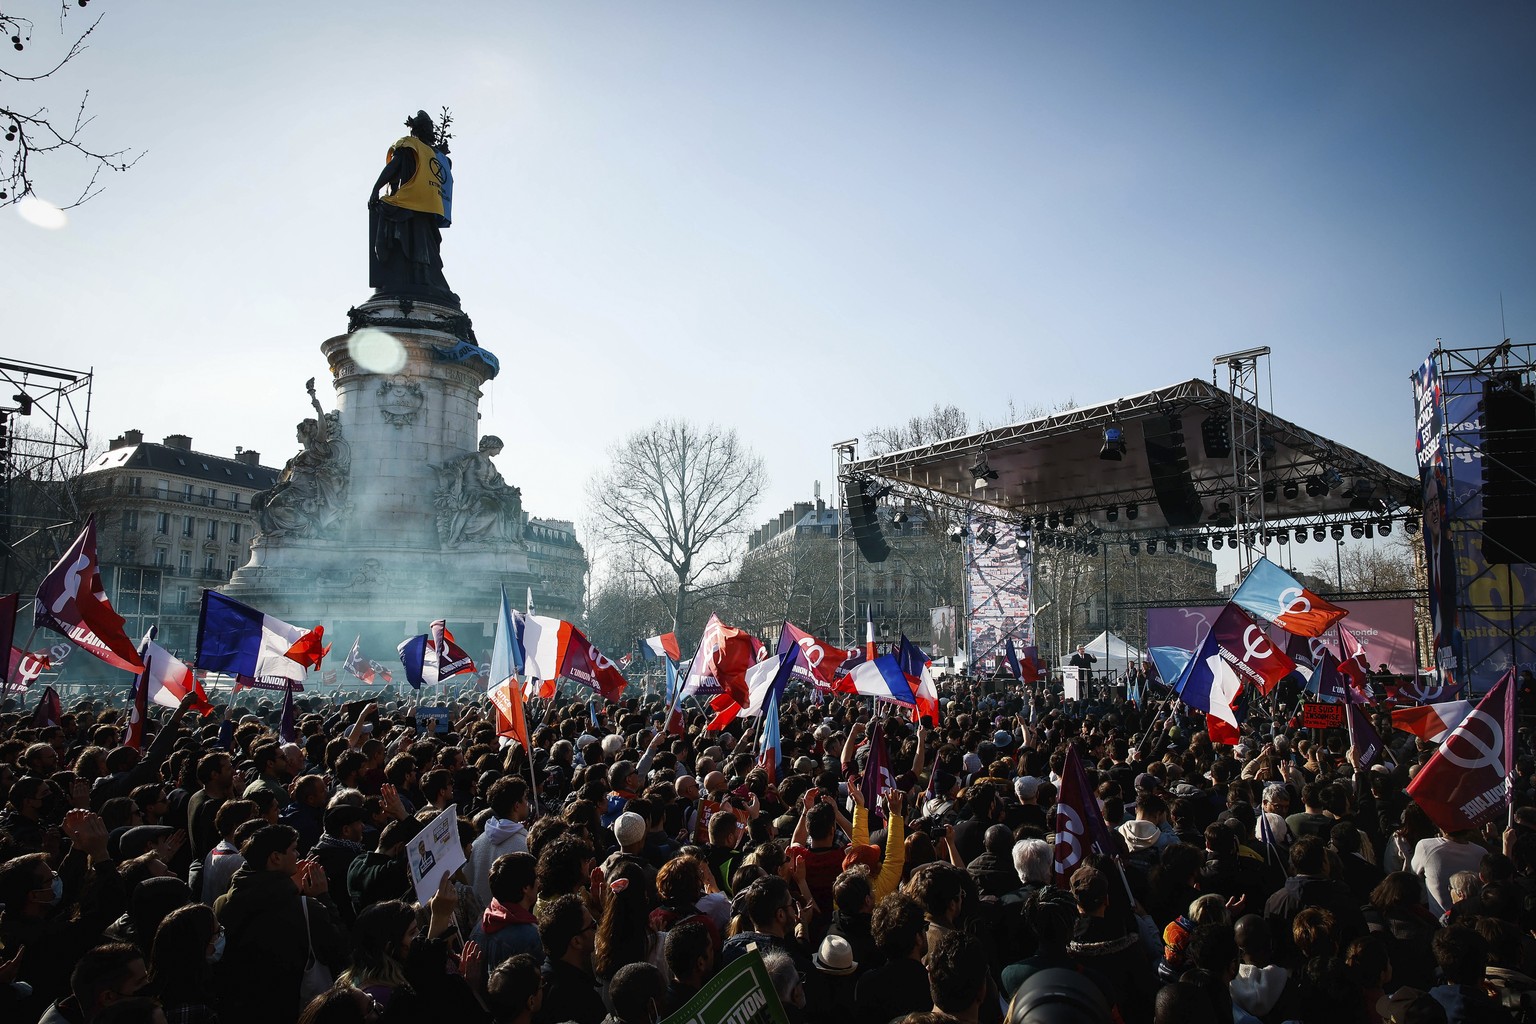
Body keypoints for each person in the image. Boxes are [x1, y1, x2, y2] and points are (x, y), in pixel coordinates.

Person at [214, 825, 346, 1024]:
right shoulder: (306, 910)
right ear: (275, 857)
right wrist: (323, 898)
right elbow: (340, 948)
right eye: (293, 849)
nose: (298, 854)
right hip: (292, 1010)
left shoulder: (222, 904)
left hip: (242, 1009)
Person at [369, 109, 456, 305]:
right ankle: (421, 279)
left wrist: (376, 190)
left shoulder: (413, 146)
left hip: (413, 205)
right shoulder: (432, 154)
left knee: (419, 243)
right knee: (422, 246)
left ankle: (418, 279)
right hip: (424, 207)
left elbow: (393, 168)